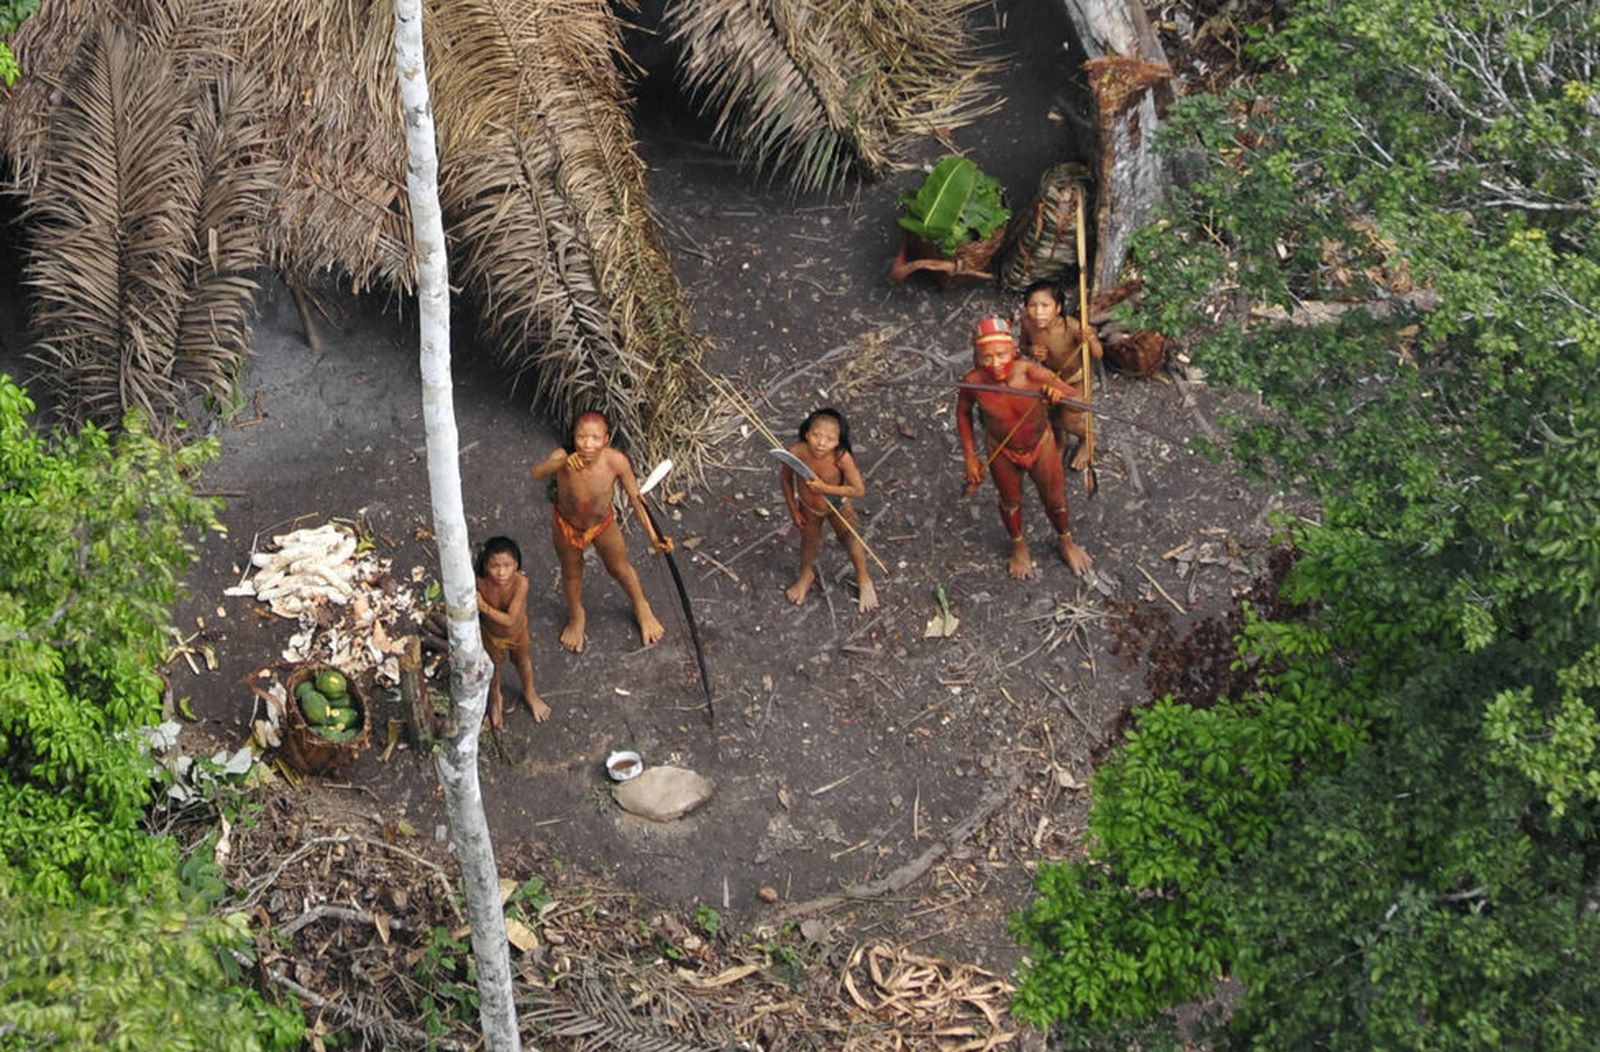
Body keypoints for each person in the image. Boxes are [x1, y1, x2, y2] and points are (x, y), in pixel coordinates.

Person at [957, 316, 1093, 579]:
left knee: (1055, 499)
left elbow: (1081, 403)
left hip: (1039, 444)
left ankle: (1065, 540)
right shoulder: (973, 382)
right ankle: (1018, 545)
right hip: (1002, 449)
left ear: (1014, 352)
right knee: (1010, 502)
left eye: (1001, 355)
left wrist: (1059, 396)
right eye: (987, 358)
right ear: (977, 357)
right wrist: (970, 457)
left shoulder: (1034, 374)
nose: (995, 364)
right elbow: (962, 413)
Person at [530, 411, 672, 653]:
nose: (587, 444)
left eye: (595, 438)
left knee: (620, 567)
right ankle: (576, 615)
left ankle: (641, 605)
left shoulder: (616, 462)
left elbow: (637, 501)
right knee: (571, 572)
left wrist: (654, 536)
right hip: (567, 526)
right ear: (573, 438)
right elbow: (538, 472)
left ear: (606, 439)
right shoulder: (563, 457)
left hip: (602, 524)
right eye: (582, 437)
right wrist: (563, 462)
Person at [779, 407, 879, 612]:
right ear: (807, 433)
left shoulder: (841, 457)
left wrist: (825, 489)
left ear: (838, 441)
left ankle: (864, 579)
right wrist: (793, 510)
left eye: (829, 439)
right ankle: (806, 574)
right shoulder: (797, 452)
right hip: (808, 508)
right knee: (808, 542)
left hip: (838, 506)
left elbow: (858, 489)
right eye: (816, 435)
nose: (821, 443)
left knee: (850, 539)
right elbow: (786, 480)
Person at [1017, 280, 1102, 471]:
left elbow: (1098, 354)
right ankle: (1061, 442)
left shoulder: (1071, 327)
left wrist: (1090, 339)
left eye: (1045, 306)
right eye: (1033, 306)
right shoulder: (1027, 323)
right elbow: (1022, 345)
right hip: (1050, 379)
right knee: (1052, 416)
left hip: (1076, 380)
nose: (1038, 312)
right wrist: (1031, 350)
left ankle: (1088, 438)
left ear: (1058, 308)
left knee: (1069, 420)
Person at [474, 535, 550, 729]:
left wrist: (484, 607)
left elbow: (509, 620)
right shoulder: (480, 583)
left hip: (517, 632)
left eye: (507, 565)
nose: (501, 573)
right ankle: (495, 698)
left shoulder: (520, 583)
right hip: (490, 635)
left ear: (516, 564)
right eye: (495, 566)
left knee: (522, 661)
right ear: (485, 566)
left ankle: (530, 693)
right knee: (494, 668)